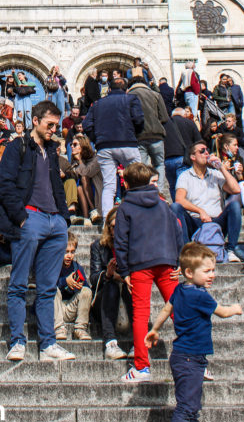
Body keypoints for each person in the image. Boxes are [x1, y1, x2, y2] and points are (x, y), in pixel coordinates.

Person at [0, 100, 73, 362]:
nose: (54, 130)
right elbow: (4, 184)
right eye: (50, 124)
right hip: (31, 219)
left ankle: (48, 343)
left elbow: (57, 187)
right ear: (35, 121)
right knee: (19, 284)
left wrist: (64, 219)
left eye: (57, 126)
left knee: (48, 287)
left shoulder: (52, 151)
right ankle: (17, 340)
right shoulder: (17, 147)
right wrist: (21, 218)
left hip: (55, 222)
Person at [145, 243, 243, 422]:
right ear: (188, 272)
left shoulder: (181, 290)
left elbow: (166, 310)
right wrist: (236, 308)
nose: (212, 275)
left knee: (192, 406)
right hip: (190, 358)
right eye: (207, 271)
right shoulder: (199, 295)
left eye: (213, 270)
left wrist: (155, 329)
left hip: (185, 356)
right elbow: (223, 312)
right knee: (187, 407)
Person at [114, 162, 183, 381]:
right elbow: (177, 229)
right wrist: (179, 258)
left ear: (126, 183)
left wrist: (124, 270)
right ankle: (196, 360)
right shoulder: (162, 203)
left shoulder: (125, 207)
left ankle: (142, 366)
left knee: (141, 314)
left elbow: (121, 241)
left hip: (139, 264)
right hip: (165, 261)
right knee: (177, 309)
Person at [82, 76, 144, 220]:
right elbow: (139, 119)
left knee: (109, 186)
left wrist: (97, 139)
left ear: (109, 89)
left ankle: (107, 222)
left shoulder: (97, 104)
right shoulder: (131, 99)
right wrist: (134, 134)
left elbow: (86, 125)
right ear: (126, 89)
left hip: (105, 146)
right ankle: (139, 216)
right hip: (128, 144)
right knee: (137, 180)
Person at [170, 141, 242, 249]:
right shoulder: (185, 176)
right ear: (193, 157)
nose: (206, 153)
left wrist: (221, 167)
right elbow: (179, 200)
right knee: (175, 207)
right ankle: (184, 250)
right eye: (202, 151)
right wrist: (200, 211)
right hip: (195, 221)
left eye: (207, 150)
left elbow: (236, 189)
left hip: (216, 221)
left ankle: (231, 249)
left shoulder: (215, 174)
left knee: (235, 206)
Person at [89, 207, 130, 360]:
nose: (116, 230)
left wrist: (125, 277)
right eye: (113, 226)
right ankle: (110, 343)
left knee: (130, 287)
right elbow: (93, 278)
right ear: (108, 227)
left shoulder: (132, 246)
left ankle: (137, 342)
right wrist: (108, 274)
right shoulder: (98, 246)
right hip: (105, 297)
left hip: (126, 293)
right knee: (111, 286)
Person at [131, 74, 169, 194]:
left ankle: (145, 191)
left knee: (142, 167)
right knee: (159, 165)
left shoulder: (129, 96)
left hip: (139, 136)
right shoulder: (156, 95)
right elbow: (164, 117)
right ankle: (160, 191)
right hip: (156, 135)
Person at [54, 232, 92, 342]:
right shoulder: (54, 265)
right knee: (53, 289)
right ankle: (58, 328)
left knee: (86, 291)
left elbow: (86, 288)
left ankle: (80, 328)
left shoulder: (77, 267)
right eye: (66, 252)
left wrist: (79, 285)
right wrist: (65, 281)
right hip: (56, 308)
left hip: (71, 306)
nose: (69, 255)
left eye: (72, 252)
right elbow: (46, 286)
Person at [163, 105, 200, 199]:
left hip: (167, 159)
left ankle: (177, 209)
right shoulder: (189, 123)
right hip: (183, 159)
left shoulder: (164, 124)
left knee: (172, 186)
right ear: (184, 115)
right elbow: (198, 141)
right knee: (184, 186)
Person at [69, 135, 102, 225]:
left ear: (82, 146)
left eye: (75, 144)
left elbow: (87, 173)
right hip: (82, 195)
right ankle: (87, 217)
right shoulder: (74, 161)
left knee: (84, 178)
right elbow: (73, 177)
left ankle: (93, 210)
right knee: (79, 188)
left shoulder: (95, 159)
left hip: (96, 192)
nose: (72, 146)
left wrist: (79, 161)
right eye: (71, 144)